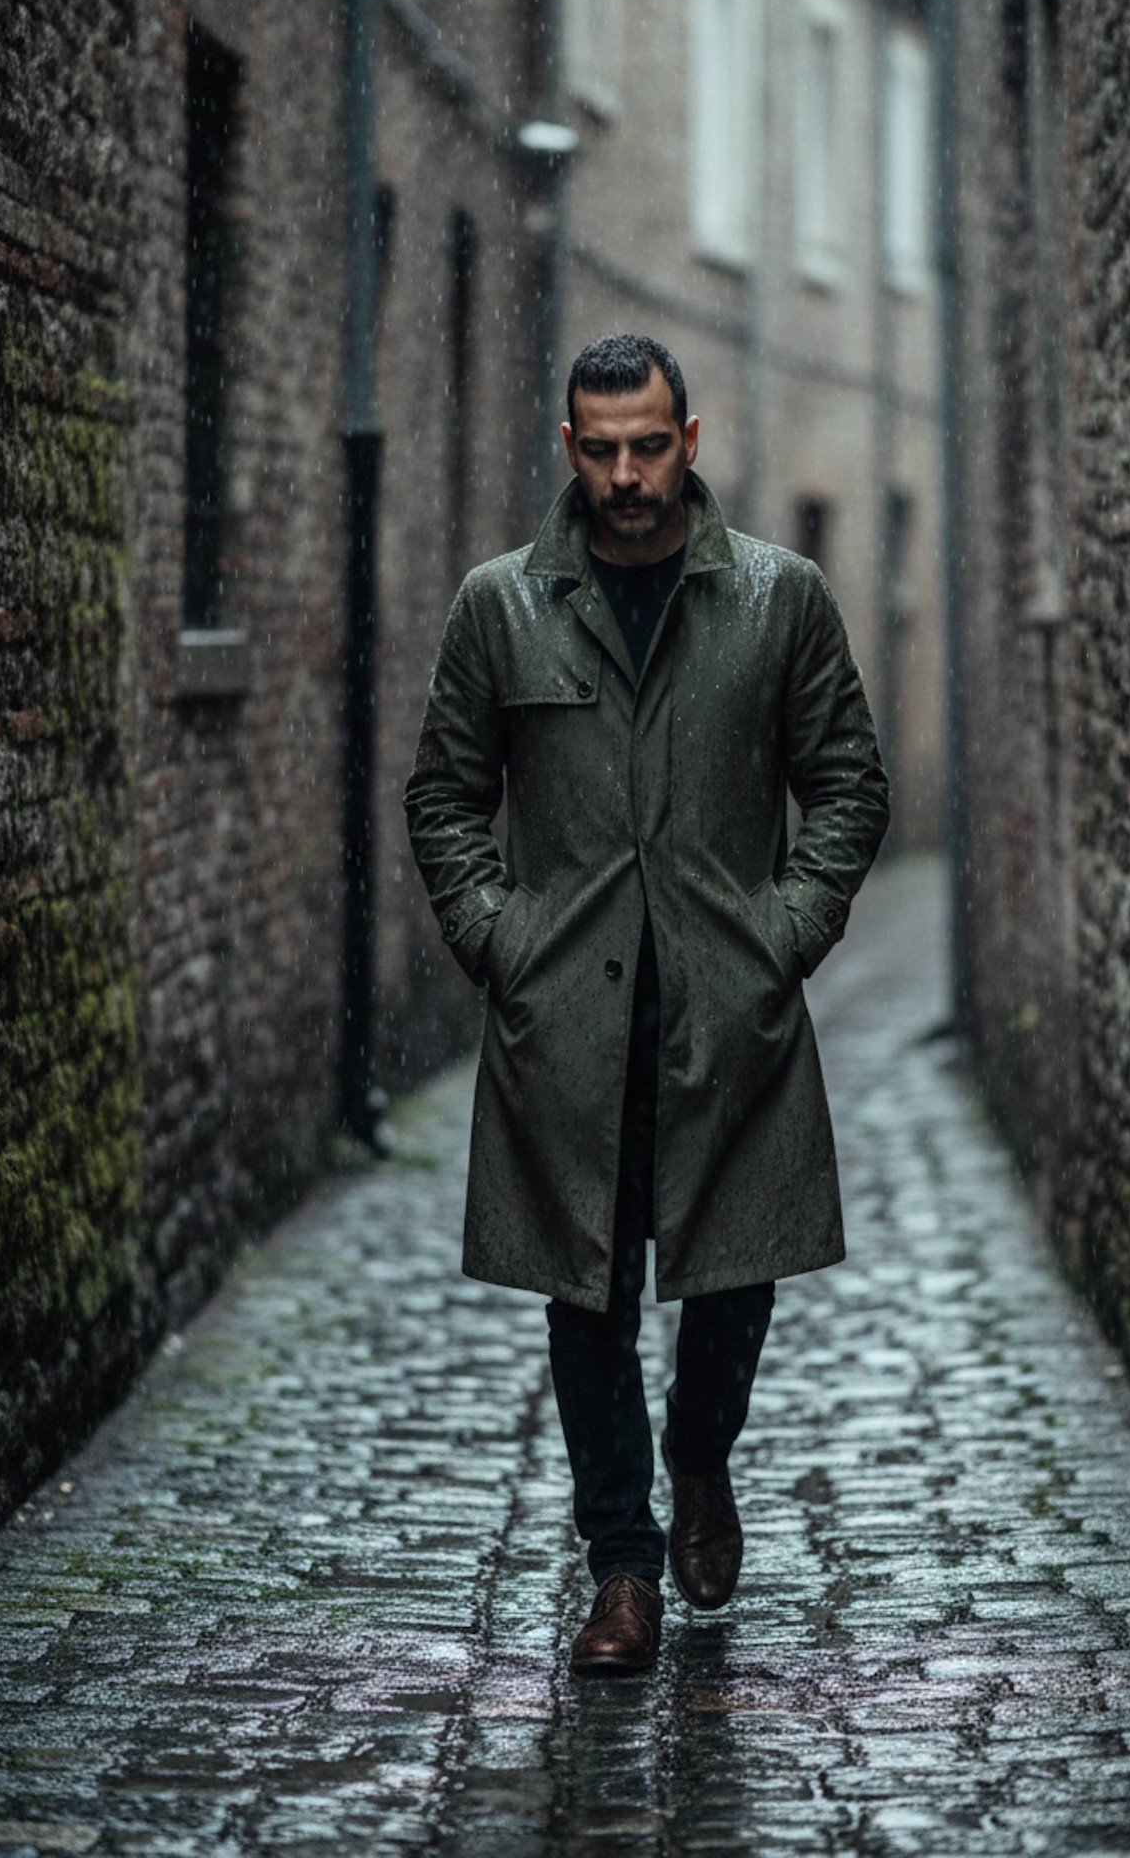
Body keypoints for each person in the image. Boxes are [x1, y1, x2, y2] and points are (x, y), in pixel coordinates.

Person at [405, 333, 889, 1675]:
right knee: (588, 1297)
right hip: (566, 1027)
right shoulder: (501, 607)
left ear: (690, 438)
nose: (627, 475)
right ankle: (620, 1571)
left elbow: (847, 783)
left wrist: (782, 934)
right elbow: (445, 797)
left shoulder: (775, 602)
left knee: (737, 1277)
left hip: (731, 1023)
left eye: (650, 445)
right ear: (570, 449)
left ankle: (700, 1458)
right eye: (602, 449)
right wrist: (499, 940)